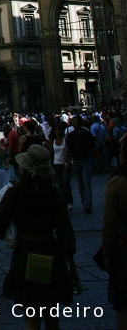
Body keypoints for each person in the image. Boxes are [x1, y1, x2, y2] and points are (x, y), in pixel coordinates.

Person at [0, 144, 79, 330]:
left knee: (32, 315)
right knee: (51, 315)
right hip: (50, 253)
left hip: (25, 254)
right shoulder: (54, 194)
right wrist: (72, 268)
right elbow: (65, 234)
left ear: (25, 168)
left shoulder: (16, 193)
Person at [102, 136, 127, 329]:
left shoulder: (117, 183)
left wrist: (108, 255)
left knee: (124, 310)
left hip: (124, 248)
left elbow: (109, 224)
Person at [65, 114, 96, 213]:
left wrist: (98, 159)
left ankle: (88, 203)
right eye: (72, 122)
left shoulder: (87, 134)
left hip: (87, 160)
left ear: (80, 123)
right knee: (80, 183)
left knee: (86, 181)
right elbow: (68, 149)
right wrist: (67, 162)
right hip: (77, 161)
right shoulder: (71, 136)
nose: (73, 124)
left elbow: (93, 147)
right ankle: (84, 202)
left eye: (75, 122)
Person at [47, 124, 72, 208]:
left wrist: (67, 162)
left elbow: (69, 151)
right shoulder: (53, 141)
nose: (57, 132)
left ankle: (69, 201)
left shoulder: (65, 140)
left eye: (59, 130)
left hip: (64, 164)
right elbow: (51, 152)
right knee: (59, 184)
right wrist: (49, 163)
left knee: (66, 182)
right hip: (56, 163)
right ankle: (63, 201)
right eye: (56, 130)